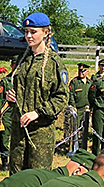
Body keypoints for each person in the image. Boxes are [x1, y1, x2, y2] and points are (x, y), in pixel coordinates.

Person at [6, 12, 69, 175]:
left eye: (33, 32)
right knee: (16, 178)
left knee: (37, 178)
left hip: (40, 132)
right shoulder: (22, 60)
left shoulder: (54, 63)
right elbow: (17, 87)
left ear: (46, 32)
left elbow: (61, 97)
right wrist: (11, 97)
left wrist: (38, 113)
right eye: (26, 31)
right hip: (18, 129)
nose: (28, 36)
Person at [0, 57, 17, 171]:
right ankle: (5, 162)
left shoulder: (24, 81)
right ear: (11, 66)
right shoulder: (5, 82)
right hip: (6, 115)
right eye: (14, 65)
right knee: (5, 139)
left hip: (19, 115)